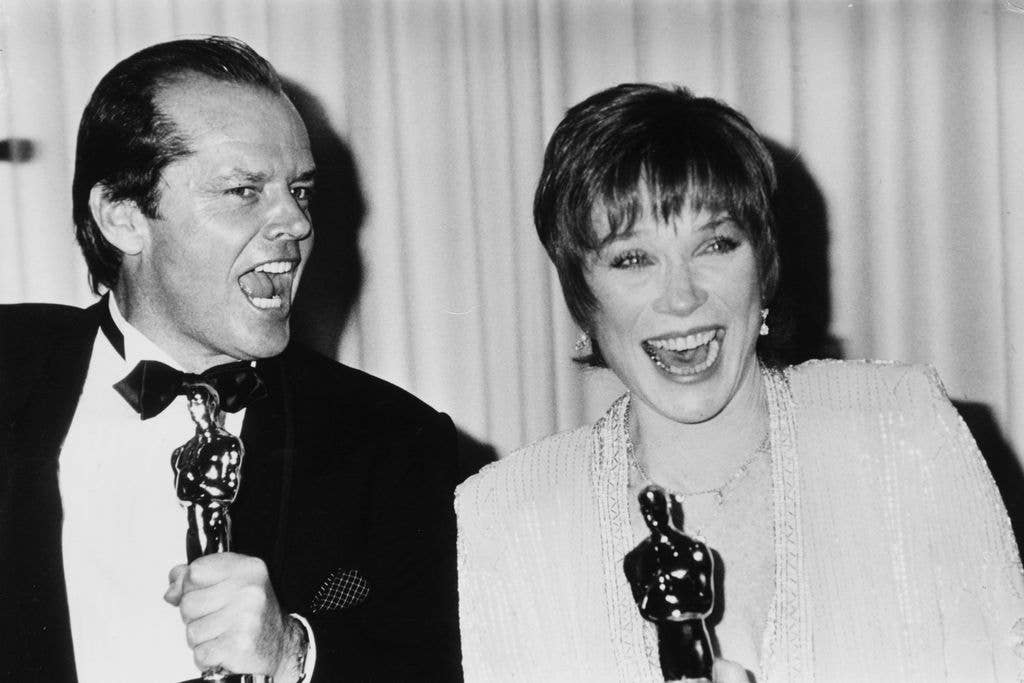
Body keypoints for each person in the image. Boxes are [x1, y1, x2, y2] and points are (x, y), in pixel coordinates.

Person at [455, 83, 1024, 681]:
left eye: (716, 245)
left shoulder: (901, 428)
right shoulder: (507, 515)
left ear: (763, 265)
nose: (682, 297)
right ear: (582, 297)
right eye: (632, 258)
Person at [0, 36, 461, 682]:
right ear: (123, 217)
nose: (297, 223)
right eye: (245, 190)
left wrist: (294, 656)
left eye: (300, 190)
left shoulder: (397, 444)